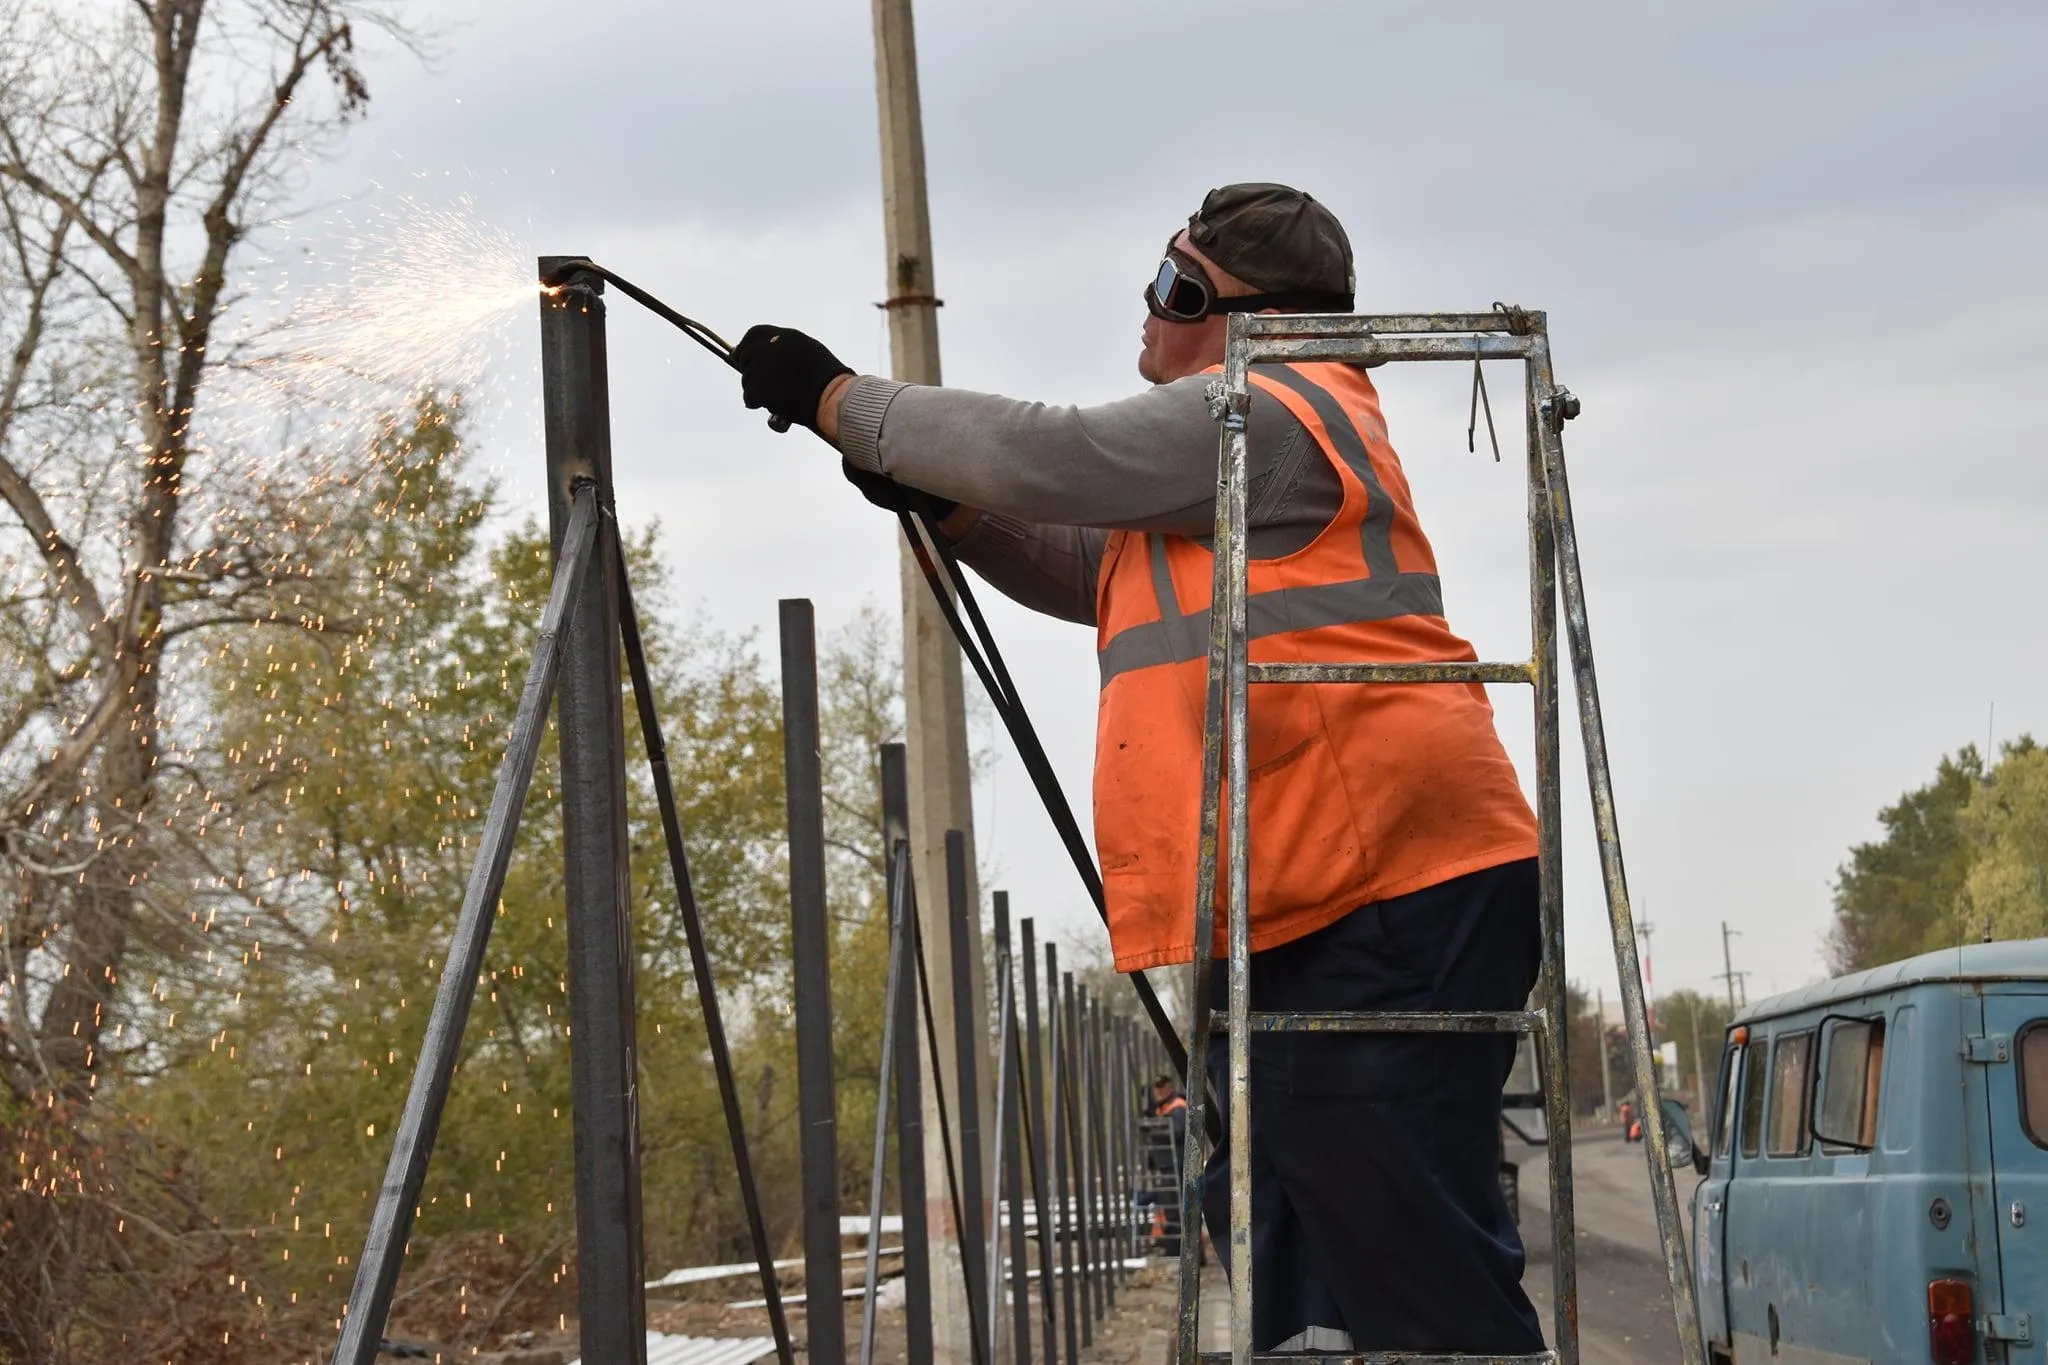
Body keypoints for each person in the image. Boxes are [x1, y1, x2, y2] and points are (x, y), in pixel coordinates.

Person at [731, 183, 1544, 1355]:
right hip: (1317, 883)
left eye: (1176, 286)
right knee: (1278, 1209)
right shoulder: (1221, 460)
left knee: (1396, 1230)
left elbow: (1051, 454)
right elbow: (1085, 566)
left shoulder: (1273, 407)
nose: (1150, 308)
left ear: (1248, 315)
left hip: (1387, 881)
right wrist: (952, 510)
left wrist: (840, 400)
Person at [1136, 1074, 1189, 1256]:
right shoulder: (1164, 1108)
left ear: (1170, 1087)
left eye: (1162, 1087)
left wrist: (1154, 1127)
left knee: (1174, 1207)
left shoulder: (1177, 1107)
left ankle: (1176, 1248)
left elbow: (1177, 1131)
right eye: (1156, 1088)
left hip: (1176, 1166)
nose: (1159, 1091)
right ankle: (1173, 1246)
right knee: (1169, 1206)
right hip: (1167, 1166)